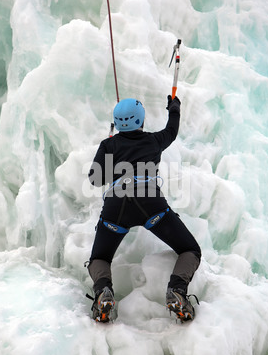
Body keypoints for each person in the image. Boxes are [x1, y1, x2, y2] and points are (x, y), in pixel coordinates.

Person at [86, 96, 201, 322]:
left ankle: (103, 292)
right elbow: (172, 130)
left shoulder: (108, 145)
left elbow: (95, 179)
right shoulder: (154, 141)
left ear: (117, 123)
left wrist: (111, 158)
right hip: (150, 203)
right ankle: (177, 290)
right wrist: (174, 108)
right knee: (190, 250)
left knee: (100, 258)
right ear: (141, 119)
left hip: (116, 206)